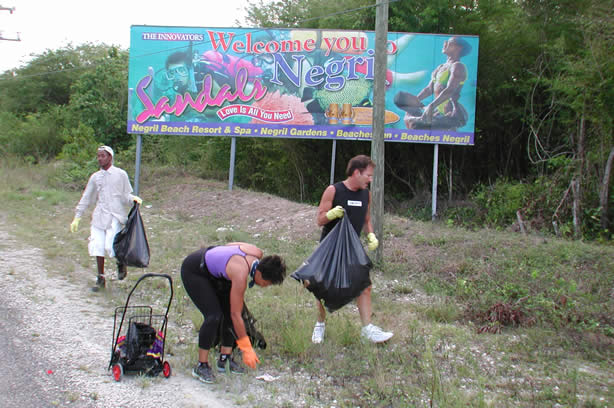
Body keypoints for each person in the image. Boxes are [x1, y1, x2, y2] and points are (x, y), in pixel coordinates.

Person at [311, 154, 393, 344]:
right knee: (324, 288)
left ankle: (367, 330)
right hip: (330, 247)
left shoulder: (366, 194)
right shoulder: (333, 190)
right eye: (368, 176)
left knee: (365, 286)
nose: (370, 180)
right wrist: (331, 214)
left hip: (352, 247)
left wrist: (371, 234)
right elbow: (319, 220)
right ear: (357, 172)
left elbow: (366, 220)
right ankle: (320, 326)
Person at [181, 243, 286, 384]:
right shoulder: (240, 274)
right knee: (214, 316)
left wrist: (222, 261)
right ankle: (201, 365)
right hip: (195, 270)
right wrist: (246, 348)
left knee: (229, 313)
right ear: (260, 273)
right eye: (267, 283)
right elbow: (236, 315)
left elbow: (230, 245)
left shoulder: (256, 252)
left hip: (218, 272)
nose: (265, 286)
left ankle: (225, 359)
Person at [69, 146, 142, 292]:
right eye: (98, 156)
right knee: (97, 246)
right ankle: (100, 278)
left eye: (103, 156)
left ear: (110, 157)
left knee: (111, 246)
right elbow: (87, 197)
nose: (100, 159)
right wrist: (77, 216)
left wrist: (133, 199)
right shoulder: (96, 177)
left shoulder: (120, 174)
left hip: (114, 215)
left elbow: (124, 195)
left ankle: (121, 263)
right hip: (99, 215)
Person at [394, 36, 472, 131]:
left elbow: (450, 90)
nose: (445, 43)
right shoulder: (440, 67)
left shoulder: (458, 67)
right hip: (437, 111)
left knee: (448, 135)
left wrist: (431, 106)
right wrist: (413, 103)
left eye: (450, 42)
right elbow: (429, 89)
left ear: (459, 48)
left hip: (449, 111)